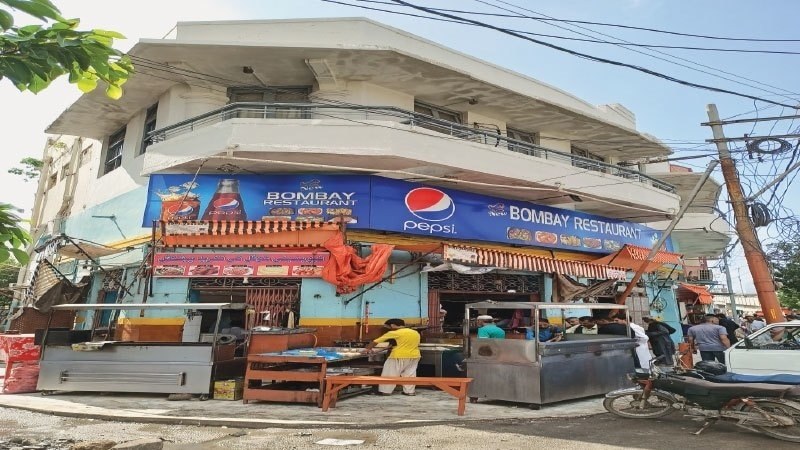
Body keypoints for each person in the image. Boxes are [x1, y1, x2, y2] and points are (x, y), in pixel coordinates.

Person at [362, 319, 421, 396]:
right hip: (415, 356)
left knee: (389, 373)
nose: (388, 328)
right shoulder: (415, 332)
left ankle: (385, 391)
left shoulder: (394, 333)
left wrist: (367, 349)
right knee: (410, 374)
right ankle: (410, 392)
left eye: (388, 327)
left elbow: (376, 341)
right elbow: (402, 343)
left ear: (392, 325)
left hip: (398, 356)